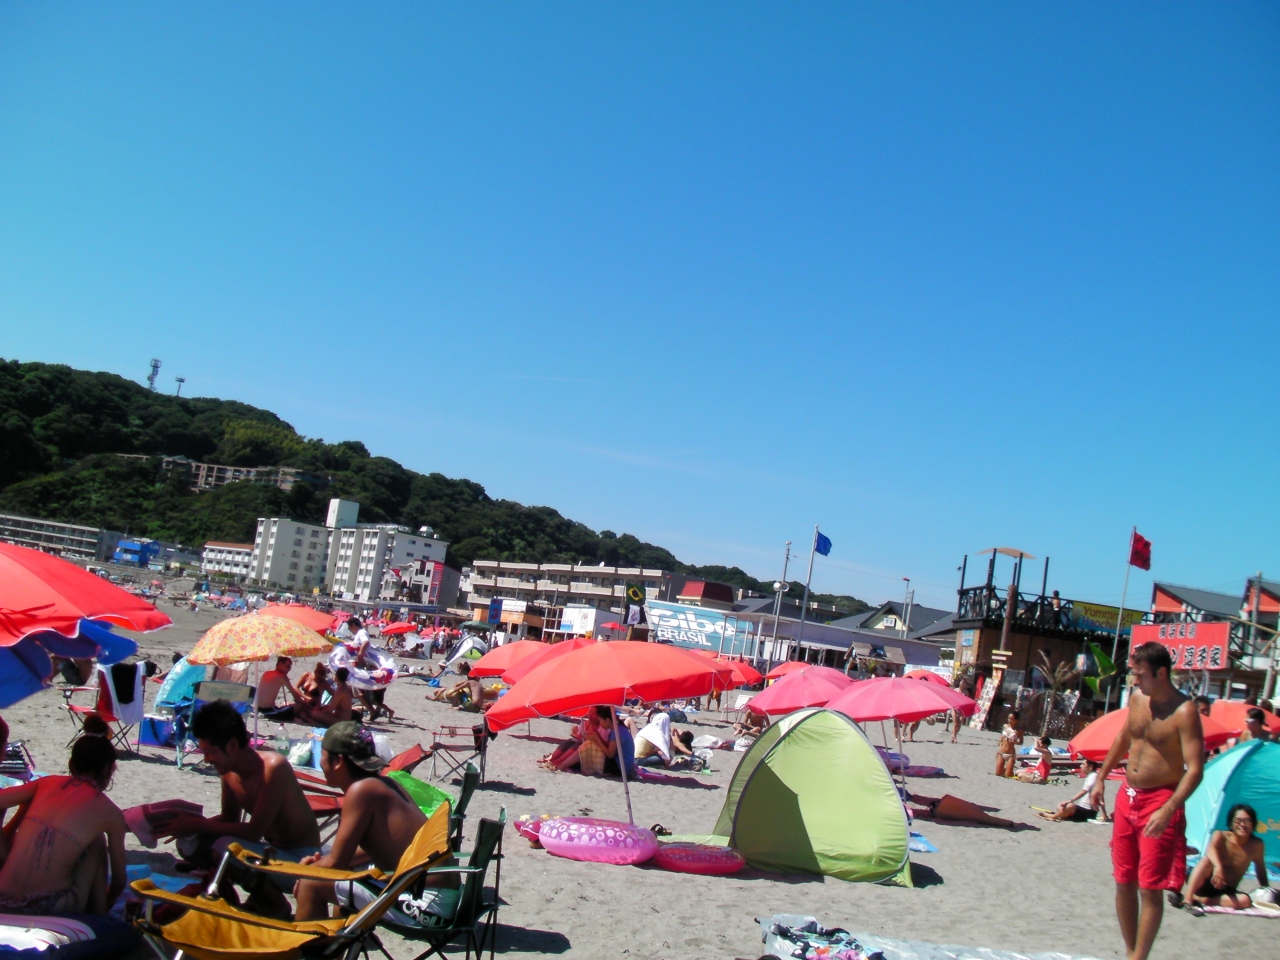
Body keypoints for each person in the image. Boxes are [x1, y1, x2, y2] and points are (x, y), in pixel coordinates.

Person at [1090, 643, 1204, 960]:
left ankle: (1140, 957)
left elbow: (1195, 770)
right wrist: (1101, 777)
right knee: (1123, 881)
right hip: (1128, 796)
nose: (1136, 681)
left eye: (1141, 675)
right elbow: (1124, 738)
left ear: (1161, 673)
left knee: (1149, 888)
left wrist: (1170, 809)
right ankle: (1131, 954)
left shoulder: (1185, 712)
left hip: (1161, 799)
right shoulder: (1138, 700)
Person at [155, 700, 321, 902]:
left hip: (303, 860)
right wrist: (185, 826)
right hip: (269, 850)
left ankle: (274, 903)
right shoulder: (228, 772)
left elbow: (253, 832)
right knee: (189, 842)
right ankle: (223, 882)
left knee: (225, 848)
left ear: (232, 745)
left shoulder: (274, 767)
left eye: (210, 752)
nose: (207, 760)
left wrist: (196, 824)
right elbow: (229, 818)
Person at [293, 722, 456, 924]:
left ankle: (308, 952)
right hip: (439, 896)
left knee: (311, 883)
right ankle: (335, 946)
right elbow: (368, 852)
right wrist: (321, 864)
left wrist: (308, 870)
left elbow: (336, 863)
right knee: (347, 875)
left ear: (338, 762)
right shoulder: (385, 784)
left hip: (424, 905)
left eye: (322, 756)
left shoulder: (361, 791)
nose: (321, 762)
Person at [0, 735, 126, 915]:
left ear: (71, 765)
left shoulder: (46, 783)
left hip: (3, 899)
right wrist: (110, 897)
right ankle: (99, 915)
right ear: (109, 770)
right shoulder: (111, 813)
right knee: (96, 843)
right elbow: (119, 881)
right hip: (49, 906)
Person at [1173, 803, 1269, 913]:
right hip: (1204, 882)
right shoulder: (1220, 836)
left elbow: (1260, 869)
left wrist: (1266, 889)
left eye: (1247, 821)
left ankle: (1198, 899)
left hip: (1225, 890)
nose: (1242, 824)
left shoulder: (1256, 845)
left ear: (1253, 824)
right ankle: (1187, 899)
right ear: (1231, 823)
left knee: (1245, 901)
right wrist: (1218, 867)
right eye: (1238, 821)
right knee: (1207, 860)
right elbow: (1210, 850)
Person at [1039, 759, 1106, 822]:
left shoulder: (1094, 776)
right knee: (1060, 805)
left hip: (1088, 811)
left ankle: (1054, 816)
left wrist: (1070, 800)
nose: (1080, 766)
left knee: (1069, 806)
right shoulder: (1091, 775)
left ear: (1090, 767)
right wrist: (1104, 814)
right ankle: (1064, 816)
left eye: (1083, 764)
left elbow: (1084, 791)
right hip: (1082, 808)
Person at [257, 657, 303, 722]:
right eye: (288, 667)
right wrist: (305, 704)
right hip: (269, 711)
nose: (289, 670)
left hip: (258, 709)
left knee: (285, 705)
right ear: (280, 664)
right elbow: (294, 695)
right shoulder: (282, 677)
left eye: (290, 667)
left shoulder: (266, 673)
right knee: (298, 706)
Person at [995, 710, 1023, 778]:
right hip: (1002, 752)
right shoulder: (1005, 726)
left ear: (1017, 720)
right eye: (1008, 718)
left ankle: (1009, 769)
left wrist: (1016, 742)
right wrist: (1000, 741)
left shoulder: (1019, 730)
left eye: (1012, 719)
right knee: (998, 773)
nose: (1009, 720)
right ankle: (1005, 768)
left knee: (1008, 775)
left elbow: (1021, 742)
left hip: (1010, 754)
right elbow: (1002, 735)